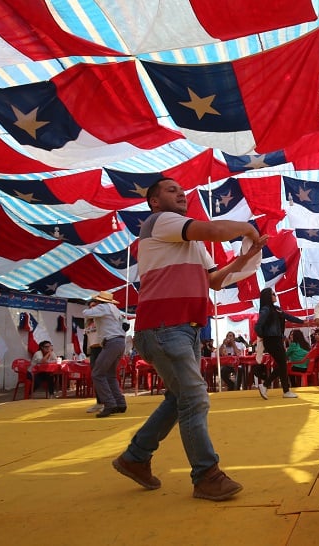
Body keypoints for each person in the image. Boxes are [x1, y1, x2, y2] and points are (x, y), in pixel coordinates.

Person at [111, 176, 266, 502]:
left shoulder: (188, 241)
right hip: (165, 327)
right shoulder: (161, 221)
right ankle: (206, 475)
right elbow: (213, 230)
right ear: (154, 201)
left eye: (182, 190)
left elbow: (215, 281)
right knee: (194, 398)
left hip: (183, 327)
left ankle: (135, 457)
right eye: (171, 190)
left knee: (178, 398)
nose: (181, 193)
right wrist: (248, 228)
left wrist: (246, 256)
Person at [82, 291, 127, 418]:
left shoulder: (103, 307)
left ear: (99, 301)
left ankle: (109, 403)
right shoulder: (116, 309)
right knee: (110, 375)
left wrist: (93, 308)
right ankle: (120, 402)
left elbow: (85, 313)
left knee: (97, 373)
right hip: (119, 342)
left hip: (111, 342)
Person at [254, 288, 304, 399]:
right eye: (273, 294)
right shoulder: (266, 309)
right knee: (282, 363)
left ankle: (271, 386)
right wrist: (263, 336)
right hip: (271, 340)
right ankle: (276, 388)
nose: (275, 295)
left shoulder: (277, 309)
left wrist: (303, 321)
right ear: (268, 296)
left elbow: (288, 317)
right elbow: (257, 326)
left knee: (282, 364)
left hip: (276, 339)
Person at [84, 317, 104, 413]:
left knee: (103, 376)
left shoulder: (102, 320)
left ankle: (107, 402)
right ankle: (99, 402)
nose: (92, 308)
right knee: (95, 376)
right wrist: (87, 353)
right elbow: (86, 339)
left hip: (102, 348)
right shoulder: (88, 323)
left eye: (94, 306)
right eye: (90, 306)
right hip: (93, 350)